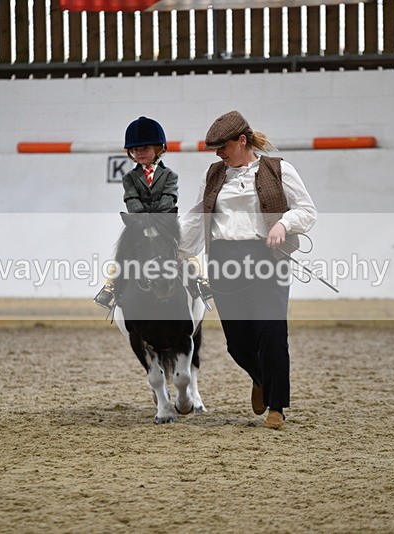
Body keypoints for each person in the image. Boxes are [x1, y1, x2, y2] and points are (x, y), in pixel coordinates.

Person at [179, 110, 317, 429]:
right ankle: (261, 378)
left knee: (272, 332)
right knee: (237, 343)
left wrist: (283, 223)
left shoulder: (279, 169)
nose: (218, 154)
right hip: (224, 260)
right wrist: (179, 251)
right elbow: (199, 215)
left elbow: (307, 210)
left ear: (242, 141)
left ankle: (277, 408)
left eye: (222, 147)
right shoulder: (213, 175)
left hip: (267, 257)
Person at [95, 116, 212, 310]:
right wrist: (142, 218)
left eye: (144, 149)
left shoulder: (169, 176)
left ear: (159, 149)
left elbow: (169, 197)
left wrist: (157, 218)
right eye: (135, 150)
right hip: (137, 222)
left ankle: (200, 280)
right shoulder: (129, 178)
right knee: (122, 254)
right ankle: (110, 287)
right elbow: (131, 199)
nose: (139, 153)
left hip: (165, 220)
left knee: (185, 250)